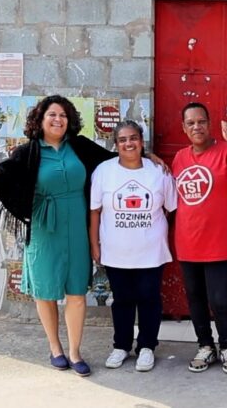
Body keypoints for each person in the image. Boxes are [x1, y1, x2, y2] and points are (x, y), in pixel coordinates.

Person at [0, 95, 117, 377]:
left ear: (69, 121)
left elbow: (113, 163)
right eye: (52, 114)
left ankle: (75, 352)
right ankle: (55, 348)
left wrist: (147, 159)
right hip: (43, 228)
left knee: (76, 292)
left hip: (77, 226)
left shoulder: (80, 147)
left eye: (63, 115)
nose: (58, 119)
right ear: (40, 120)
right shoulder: (27, 153)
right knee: (46, 291)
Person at [172, 102, 227, 374]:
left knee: (219, 299)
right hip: (188, 242)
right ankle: (205, 346)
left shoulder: (225, 151)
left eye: (201, 121)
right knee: (195, 298)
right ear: (184, 128)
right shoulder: (180, 158)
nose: (196, 127)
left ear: (209, 124)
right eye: (190, 123)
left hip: (221, 243)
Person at [89, 120, 177, 373]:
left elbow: (170, 209)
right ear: (115, 144)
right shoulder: (104, 171)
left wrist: (151, 231)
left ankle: (147, 346)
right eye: (123, 140)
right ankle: (121, 346)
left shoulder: (158, 171)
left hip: (151, 252)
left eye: (133, 138)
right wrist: (95, 243)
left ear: (142, 141)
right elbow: (95, 211)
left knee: (149, 298)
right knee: (122, 300)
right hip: (116, 251)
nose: (129, 143)